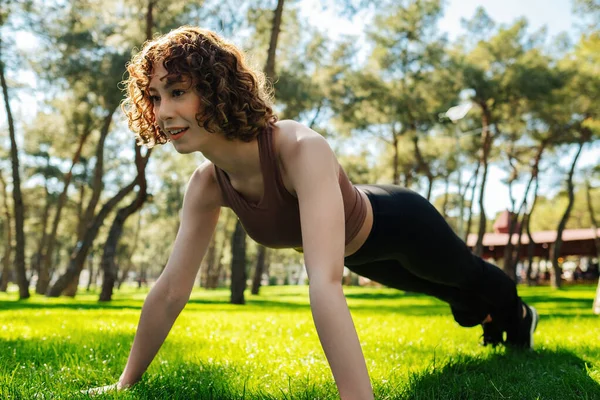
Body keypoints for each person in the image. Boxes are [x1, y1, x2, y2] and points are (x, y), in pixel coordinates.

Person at [88, 26, 538, 399]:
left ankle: (519, 320)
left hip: (401, 224)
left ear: (215, 87)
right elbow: (169, 291)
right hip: (360, 253)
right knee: (456, 299)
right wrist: (124, 385)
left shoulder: (300, 148)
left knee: (470, 277)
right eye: (155, 97)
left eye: (178, 91)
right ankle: (485, 318)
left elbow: (323, 284)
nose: (164, 112)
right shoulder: (207, 185)